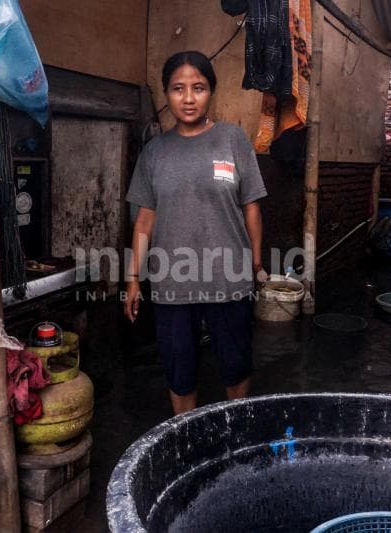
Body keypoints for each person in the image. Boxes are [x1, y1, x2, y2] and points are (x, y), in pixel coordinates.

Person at [124, 50, 267, 415]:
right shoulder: (154, 153)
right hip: (173, 283)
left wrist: (255, 262)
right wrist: (134, 279)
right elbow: (144, 219)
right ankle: (188, 441)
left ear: (211, 92)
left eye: (198, 88)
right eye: (178, 89)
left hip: (229, 277)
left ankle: (235, 435)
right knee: (180, 372)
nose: (188, 98)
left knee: (235, 368)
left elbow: (251, 204)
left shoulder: (233, 140)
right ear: (167, 94)